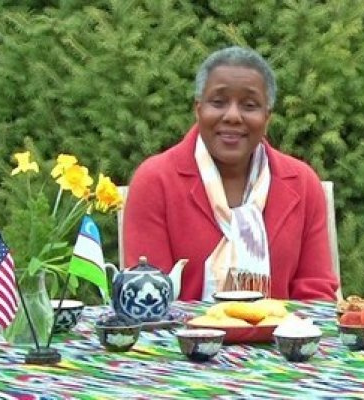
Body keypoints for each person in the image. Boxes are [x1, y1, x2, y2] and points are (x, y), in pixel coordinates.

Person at [123, 46, 338, 301]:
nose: (233, 116)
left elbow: (316, 297)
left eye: (249, 105)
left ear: (267, 117)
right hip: (180, 329)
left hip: (281, 328)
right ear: (198, 109)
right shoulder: (156, 180)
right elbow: (148, 299)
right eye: (218, 102)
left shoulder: (302, 184)